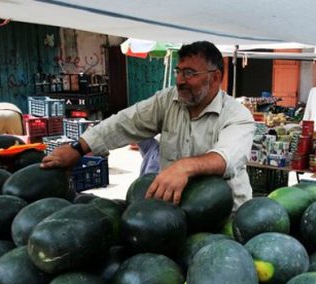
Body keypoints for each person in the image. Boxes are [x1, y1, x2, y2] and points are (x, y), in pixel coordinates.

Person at [41, 41, 254, 208]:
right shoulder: (167, 100)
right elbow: (125, 122)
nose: (180, 80)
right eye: (178, 71)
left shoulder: (238, 116)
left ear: (215, 78)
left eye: (189, 73)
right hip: (174, 211)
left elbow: (225, 157)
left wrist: (184, 167)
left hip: (227, 218)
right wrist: (78, 147)